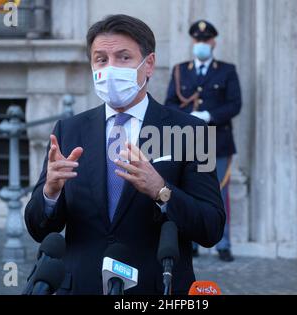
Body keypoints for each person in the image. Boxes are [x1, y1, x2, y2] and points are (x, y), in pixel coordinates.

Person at [25, 14, 225, 295]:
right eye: (101, 59)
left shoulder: (192, 131)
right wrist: (50, 193)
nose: (110, 69)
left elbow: (211, 227)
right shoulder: (69, 130)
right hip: (81, 287)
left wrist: (162, 191)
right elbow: (39, 228)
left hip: (155, 288)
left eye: (123, 58)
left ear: (149, 65)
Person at [165, 20, 242, 262]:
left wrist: (208, 116)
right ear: (193, 42)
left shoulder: (226, 70)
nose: (201, 44)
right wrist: (189, 118)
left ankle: (223, 243)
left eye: (205, 40)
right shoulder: (180, 70)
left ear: (213, 43)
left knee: (220, 192)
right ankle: (193, 241)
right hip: (189, 142)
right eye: (197, 40)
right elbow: (170, 104)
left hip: (218, 141)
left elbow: (234, 104)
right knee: (187, 192)